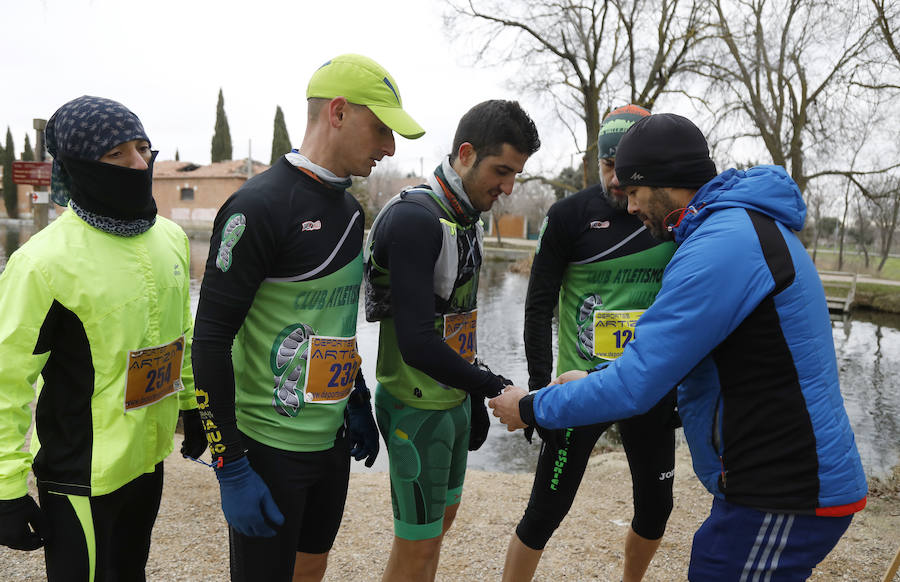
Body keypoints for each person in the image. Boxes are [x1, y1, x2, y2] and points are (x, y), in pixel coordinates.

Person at [489, 113, 868, 580]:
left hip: (785, 489)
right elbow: (674, 358)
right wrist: (591, 378)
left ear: (663, 180)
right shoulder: (732, 228)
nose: (628, 207)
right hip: (770, 484)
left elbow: (636, 386)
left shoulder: (721, 247)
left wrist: (529, 407)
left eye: (633, 191)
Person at [191, 53, 423, 582]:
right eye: (382, 129)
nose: (390, 148)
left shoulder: (350, 210)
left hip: (332, 438)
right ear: (337, 112)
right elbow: (208, 342)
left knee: (313, 566)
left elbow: (336, 323)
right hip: (269, 447)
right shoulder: (257, 207)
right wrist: (229, 464)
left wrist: (357, 396)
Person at [0, 95, 206, 581]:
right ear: (76, 164)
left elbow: (183, 335)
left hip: (148, 462)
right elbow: (6, 381)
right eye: (117, 154)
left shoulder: (169, 238)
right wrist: (6, 488)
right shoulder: (42, 262)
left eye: (143, 148)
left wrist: (195, 404)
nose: (138, 164)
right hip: (80, 475)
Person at [363, 99, 540, 582]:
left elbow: (456, 322)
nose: (506, 188)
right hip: (414, 404)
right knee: (417, 547)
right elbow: (418, 342)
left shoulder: (464, 217)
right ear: (465, 153)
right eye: (501, 171)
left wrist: (471, 393)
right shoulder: (416, 218)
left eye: (515, 176)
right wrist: (490, 385)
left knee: (439, 527)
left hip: (451, 399)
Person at [504, 104, 677, 582]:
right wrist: (541, 392)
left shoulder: (670, 219)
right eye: (608, 168)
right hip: (579, 386)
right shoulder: (568, 216)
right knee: (544, 512)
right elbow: (538, 307)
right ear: (596, 161)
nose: (618, 182)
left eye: (628, 171)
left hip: (646, 384)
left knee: (656, 508)